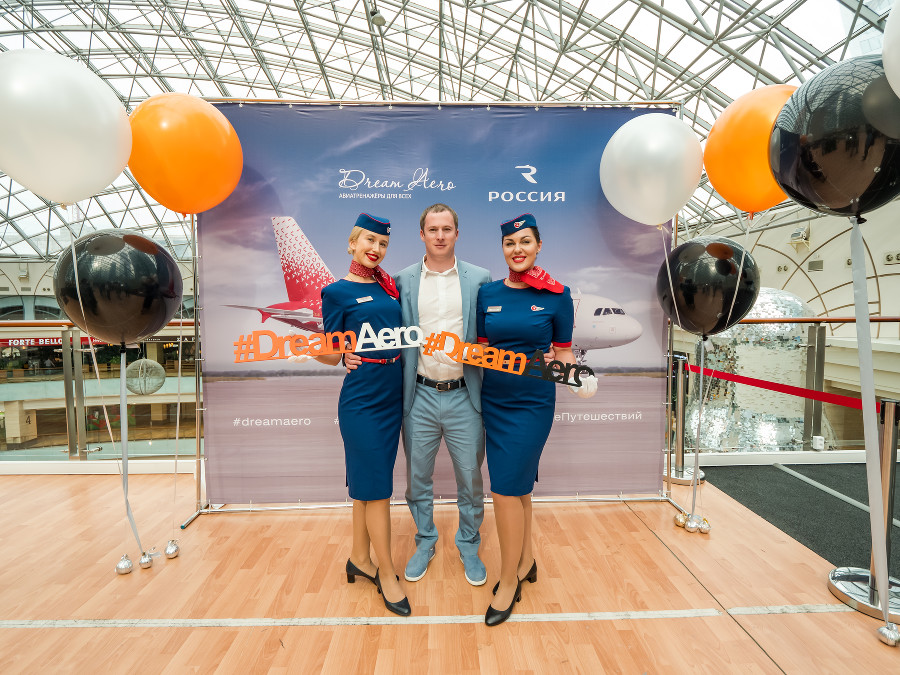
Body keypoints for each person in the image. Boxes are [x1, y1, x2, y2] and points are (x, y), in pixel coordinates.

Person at [346, 203, 492, 586]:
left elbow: (495, 331)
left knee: (471, 480)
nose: (440, 236)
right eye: (433, 230)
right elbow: (376, 326)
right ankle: (425, 540)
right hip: (419, 395)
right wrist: (344, 351)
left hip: (465, 394)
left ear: (457, 234)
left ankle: (469, 544)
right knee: (417, 480)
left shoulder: (480, 279)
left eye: (447, 229)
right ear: (422, 235)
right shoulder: (401, 280)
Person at [476, 213, 597, 626]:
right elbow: (482, 348)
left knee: (505, 489)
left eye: (525, 241)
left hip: (532, 404)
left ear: (538, 245)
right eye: (510, 243)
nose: (518, 249)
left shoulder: (557, 296)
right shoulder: (487, 293)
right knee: (520, 488)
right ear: (503, 249)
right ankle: (526, 562)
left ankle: (508, 579)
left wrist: (576, 374)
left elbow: (562, 352)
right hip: (494, 400)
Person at [300, 212, 411, 617]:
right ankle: (387, 573)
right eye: (369, 241)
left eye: (382, 243)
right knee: (377, 488)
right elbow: (330, 353)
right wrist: (327, 349)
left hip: (392, 392)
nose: (376, 248)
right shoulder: (336, 292)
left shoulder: (389, 288)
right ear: (352, 244)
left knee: (367, 483)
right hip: (362, 398)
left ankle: (359, 558)